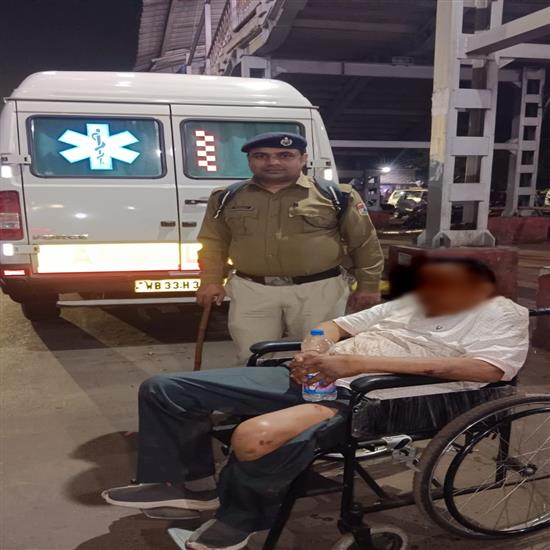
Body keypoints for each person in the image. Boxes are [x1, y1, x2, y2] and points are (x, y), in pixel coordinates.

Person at [103, 257, 529, 550]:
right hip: (325, 375)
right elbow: (331, 326)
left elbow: (488, 370)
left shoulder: (501, 314)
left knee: (254, 436)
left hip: (378, 394)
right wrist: (314, 351)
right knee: (166, 387)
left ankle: (239, 521)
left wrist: (356, 364)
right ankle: (190, 486)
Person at [195, 131, 384, 362]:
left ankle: (312, 387)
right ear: (250, 160)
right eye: (261, 156)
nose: (273, 162)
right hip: (252, 291)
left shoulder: (336, 195)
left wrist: (369, 285)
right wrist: (211, 280)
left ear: (303, 159)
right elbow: (213, 242)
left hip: (319, 291)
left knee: (319, 357)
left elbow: (364, 242)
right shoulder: (226, 197)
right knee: (252, 356)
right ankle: (261, 386)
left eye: (285, 155)